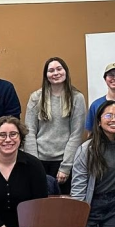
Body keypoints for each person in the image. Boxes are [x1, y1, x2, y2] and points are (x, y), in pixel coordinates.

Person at [24, 57, 87, 195]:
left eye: (59, 69)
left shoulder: (77, 98)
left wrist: (66, 167)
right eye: (51, 70)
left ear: (66, 72)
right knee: (39, 206)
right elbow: (29, 132)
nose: (55, 73)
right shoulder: (36, 97)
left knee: (61, 207)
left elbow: (76, 134)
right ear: (46, 75)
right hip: (39, 161)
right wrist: (34, 165)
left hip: (63, 161)